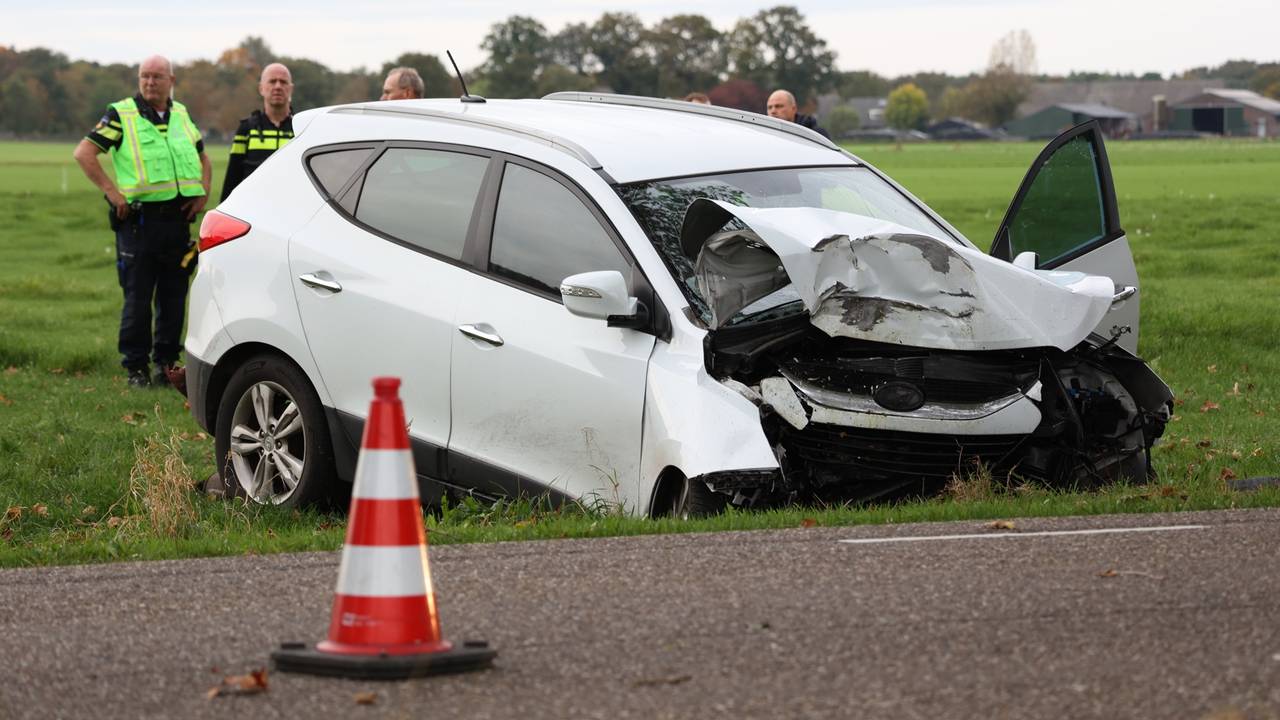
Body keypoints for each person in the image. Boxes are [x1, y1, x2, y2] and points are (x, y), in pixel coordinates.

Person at [72, 55, 212, 388]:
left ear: (171, 81)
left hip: (178, 221)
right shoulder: (121, 114)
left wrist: (204, 193)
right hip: (139, 223)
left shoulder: (180, 113)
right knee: (137, 299)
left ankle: (165, 365)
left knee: (174, 297)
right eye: (144, 76)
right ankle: (135, 368)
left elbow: (203, 157)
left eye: (157, 76)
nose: (150, 82)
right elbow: (84, 153)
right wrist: (113, 193)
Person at [221, 63, 294, 201]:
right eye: (272, 81)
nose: (278, 86)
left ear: (291, 89)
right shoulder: (246, 129)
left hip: (291, 209)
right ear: (261, 88)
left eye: (283, 82)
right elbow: (233, 176)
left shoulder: (301, 129)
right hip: (254, 211)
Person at [766, 89, 830, 139]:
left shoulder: (816, 135)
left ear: (793, 109)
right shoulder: (764, 136)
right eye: (769, 107)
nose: (773, 111)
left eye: (779, 106)